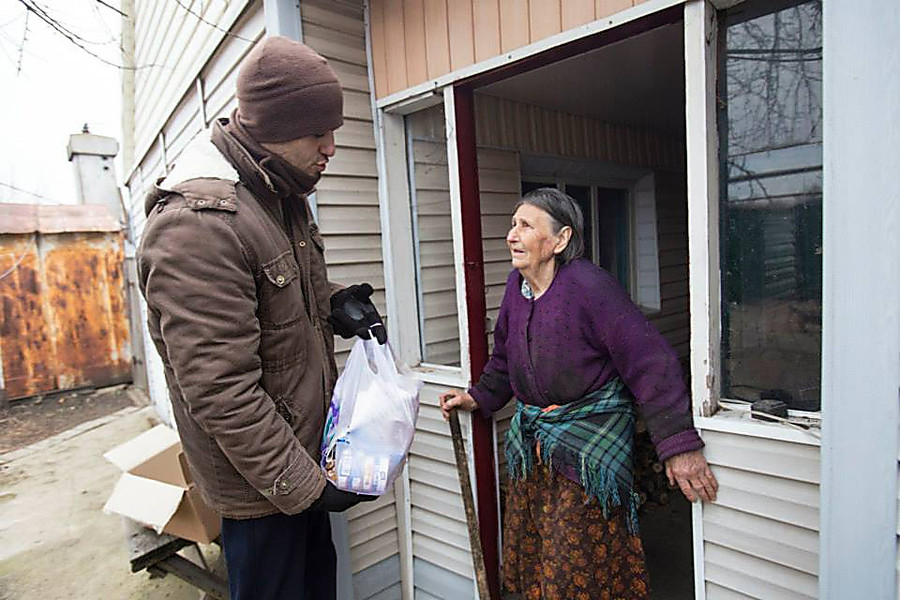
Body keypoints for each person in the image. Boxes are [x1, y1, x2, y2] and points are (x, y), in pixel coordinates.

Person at [138, 36, 386, 600]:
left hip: (300, 459)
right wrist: (305, 487)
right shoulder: (199, 226)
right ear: (274, 126)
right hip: (262, 488)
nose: (330, 147)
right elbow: (220, 390)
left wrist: (335, 302)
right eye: (317, 132)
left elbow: (282, 292)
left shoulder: (280, 191)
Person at [440, 187, 718, 599]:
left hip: (587, 448)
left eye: (526, 226)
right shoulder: (519, 289)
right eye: (513, 224)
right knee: (541, 553)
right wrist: (478, 397)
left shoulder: (590, 287)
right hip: (536, 445)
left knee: (579, 560)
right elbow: (505, 357)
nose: (512, 235)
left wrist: (677, 444)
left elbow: (650, 361)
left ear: (560, 240)